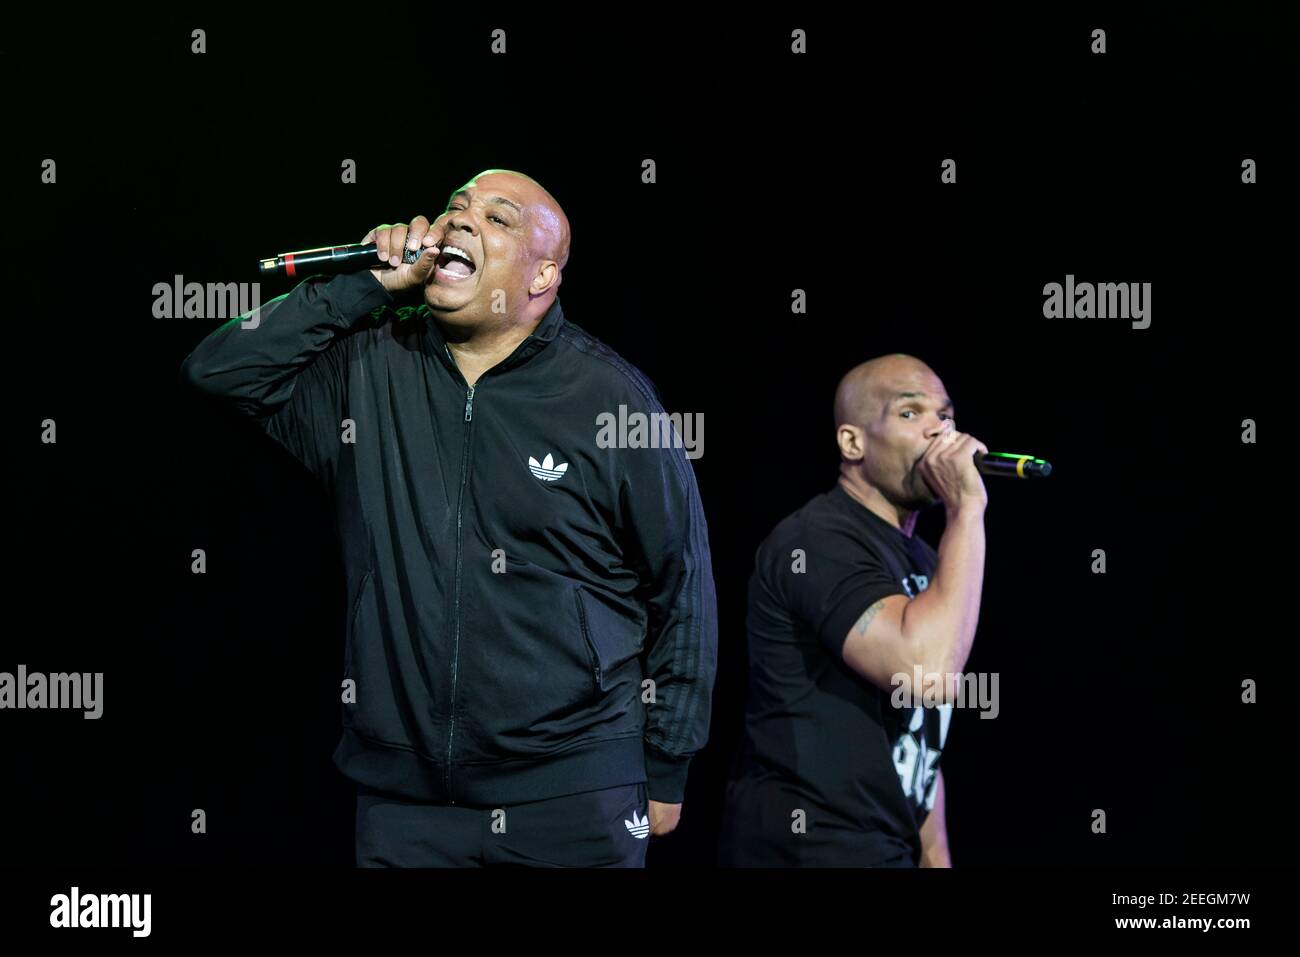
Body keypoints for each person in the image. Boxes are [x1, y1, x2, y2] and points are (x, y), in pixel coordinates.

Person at [180, 169, 717, 867]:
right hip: (406, 806)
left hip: (572, 792)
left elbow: (684, 587)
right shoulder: (370, 365)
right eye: (456, 206)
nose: (460, 219)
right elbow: (218, 370)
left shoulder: (610, 397)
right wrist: (362, 285)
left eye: (499, 218)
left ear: (542, 274)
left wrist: (668, 763)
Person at [718, 353, 987, 867]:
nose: (939, 431)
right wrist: (967, 509)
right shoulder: (817, 540)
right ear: (852, 442)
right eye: (911, 413)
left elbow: (924, 738)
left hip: (885, 846)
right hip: (810, 847)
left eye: (946, 416)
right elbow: (926, 672)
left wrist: (936, 858)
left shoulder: (928, 558)